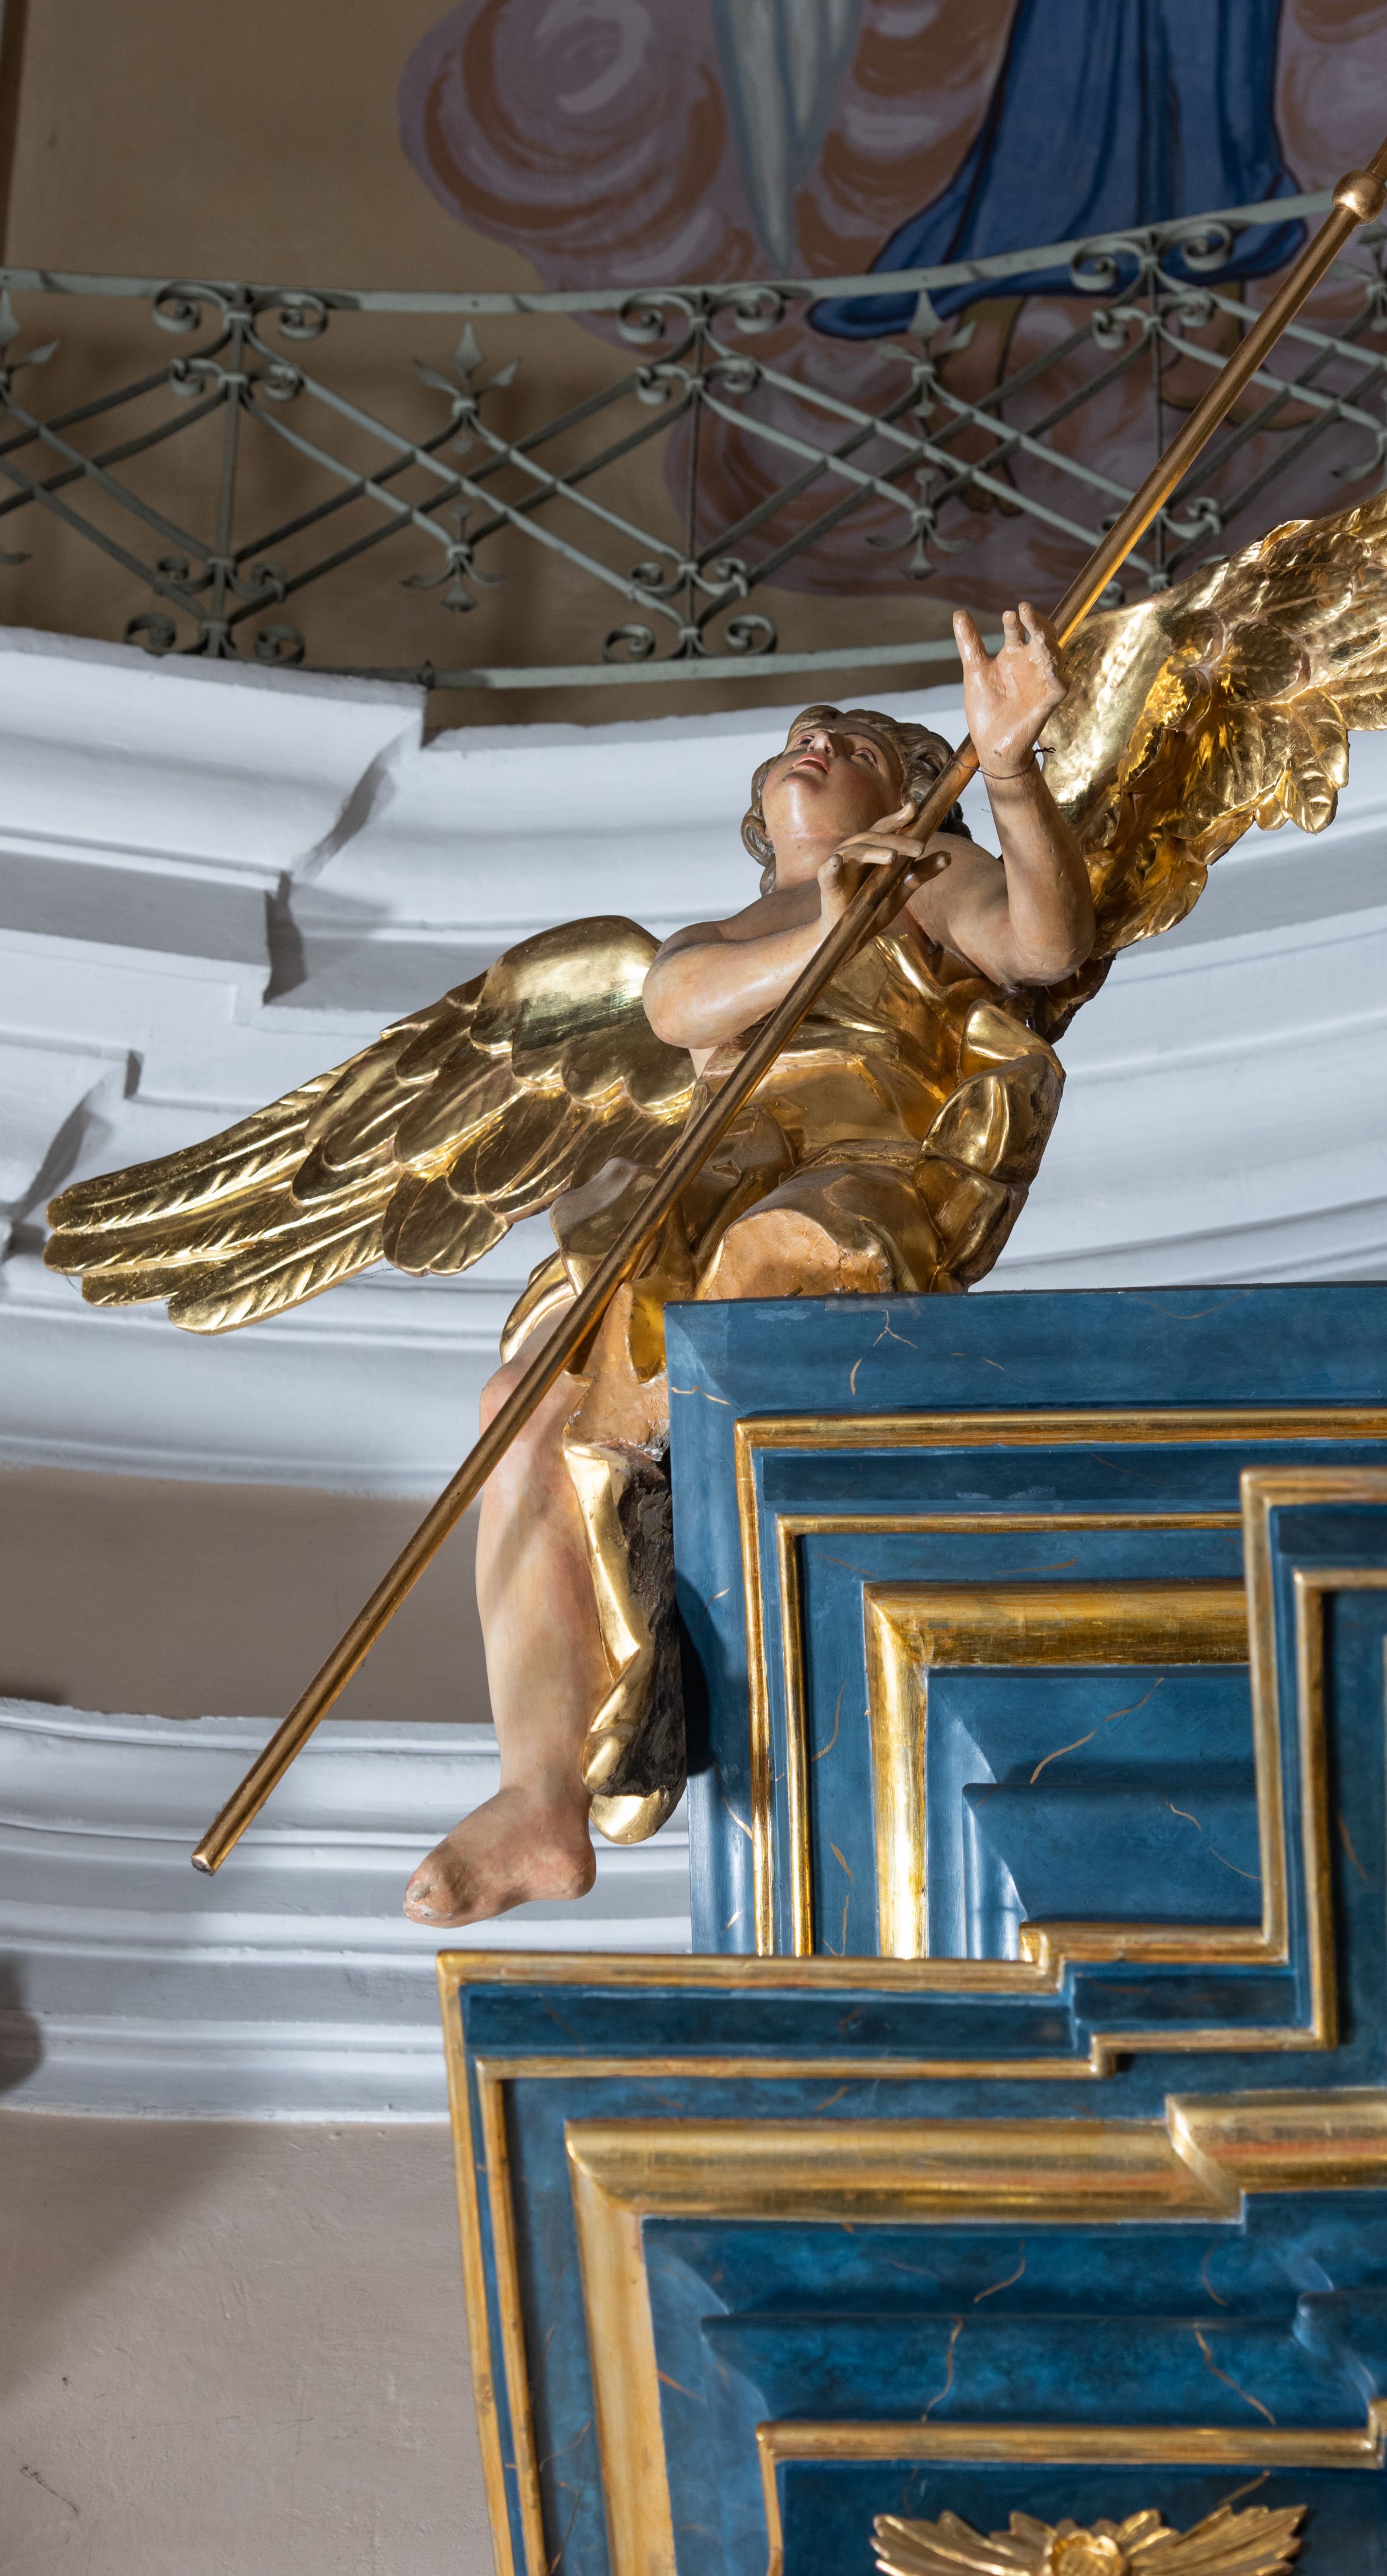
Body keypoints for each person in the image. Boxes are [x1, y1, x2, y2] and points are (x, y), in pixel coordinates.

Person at [402, 600, 1095, 1925]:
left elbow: (1045, 944)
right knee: (519, 1405)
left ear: (913, 788)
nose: (816, 740)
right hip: (702, 1182)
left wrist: (1009, 772)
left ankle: (666, 1544)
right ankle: (540, 1793)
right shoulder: (718, 933)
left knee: (762, 1283)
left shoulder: (929, 871)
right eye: (801, 735)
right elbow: (679, 1007)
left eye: (855, 743)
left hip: (860, 1169)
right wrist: (822, 928)